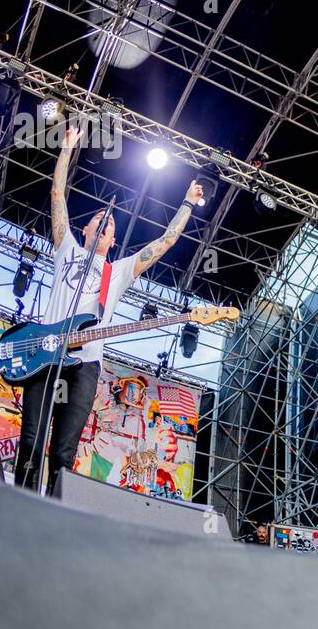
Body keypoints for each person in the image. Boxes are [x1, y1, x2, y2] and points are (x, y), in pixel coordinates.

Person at [14, 125, 203, 498]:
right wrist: (67, 149)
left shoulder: (117, 272)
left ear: (113, 241)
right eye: (100, 218)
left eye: (111, 224)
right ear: (86, 228)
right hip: (43, 353)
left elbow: (164, 243)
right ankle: (14, 502)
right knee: (31, 440)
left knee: (63, 453)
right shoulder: (66, 245)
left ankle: (48, 517)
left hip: (84, 365)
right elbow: (56, 194)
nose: (106, 221)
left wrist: (184, 203)